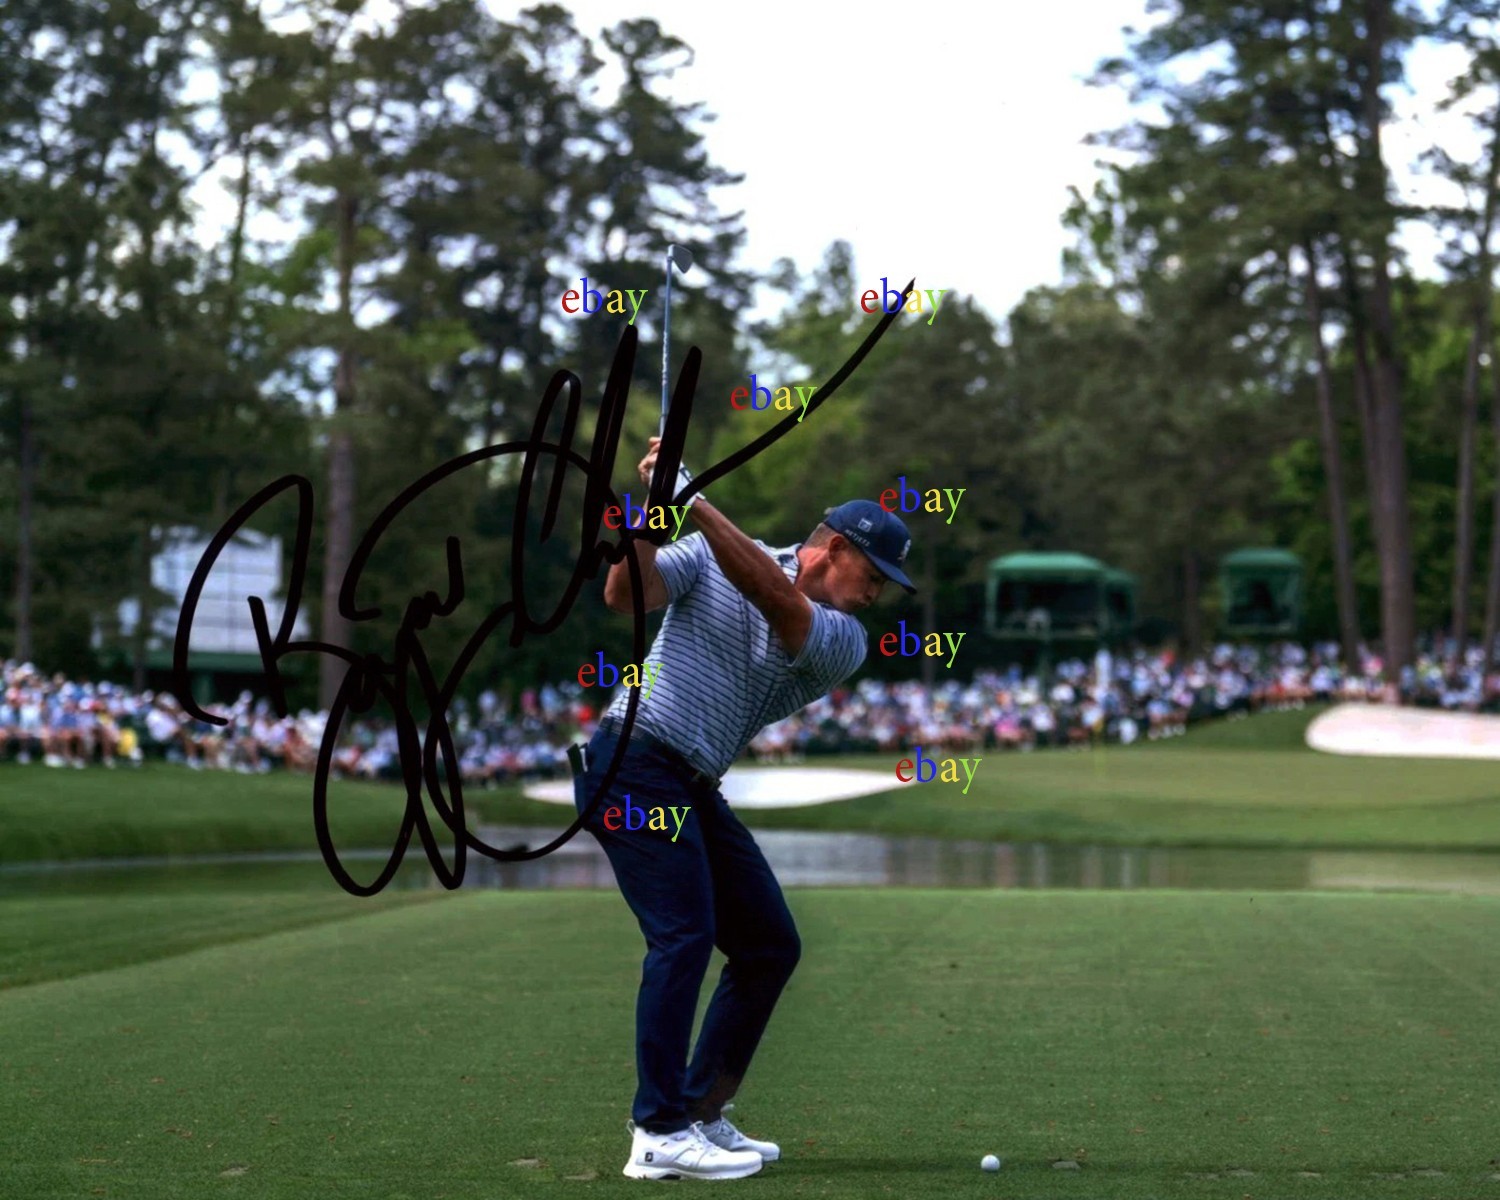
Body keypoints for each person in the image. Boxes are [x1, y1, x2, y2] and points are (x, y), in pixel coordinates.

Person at [573, 437, 915, 1182]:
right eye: (876, 572)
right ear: (831, 548)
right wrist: (649, 513)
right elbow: (624, 595)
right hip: (630, 767)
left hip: (688, 783)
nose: (878, 592)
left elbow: (773, 596)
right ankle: (658, 1132)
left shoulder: (841, 638)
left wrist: (690, 494)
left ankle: (698, 1111)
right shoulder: (714, 551)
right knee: (684, 934)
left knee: (768, 944)